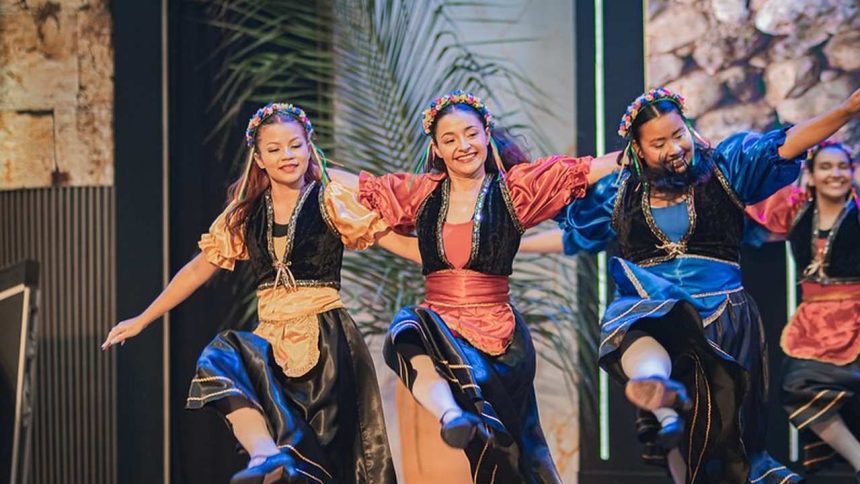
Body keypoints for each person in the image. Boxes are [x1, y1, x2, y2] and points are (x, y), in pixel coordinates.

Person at [520, 86, 860, 483]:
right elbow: (570, 232)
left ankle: (665, 402)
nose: (675, 148)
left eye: (678, 134)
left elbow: (784, 144)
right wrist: (516, 247)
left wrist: (847, 109)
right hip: (653, 312)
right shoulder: (620, 192)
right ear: (639, 150)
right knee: (633, 321)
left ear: (690, 128)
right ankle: (656, 385)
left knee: (725, 443)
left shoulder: (726, 170)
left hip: (723, 321)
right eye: (659, 143)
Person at [102, 103, 415, 483]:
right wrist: (143, 318)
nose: (287, 155)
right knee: (223, 357)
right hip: (271, 341)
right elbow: (200, 267)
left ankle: (276, 458)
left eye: (295, 145)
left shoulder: (330, 200)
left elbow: (399, 244)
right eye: (275, 149)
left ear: (309, 147)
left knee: (322, 461)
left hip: (327, 344)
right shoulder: (246, 215)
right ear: (259, 159)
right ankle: (263, 453)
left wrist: (463, 257)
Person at [332, 90, 618, 483]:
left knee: (509, 453)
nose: (463, 146)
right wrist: (309, 164)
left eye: (470, 134)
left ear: (486, 134)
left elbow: (579, 170)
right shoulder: (424, 194)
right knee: (406, 330)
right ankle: (450, 414)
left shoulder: (514, 192)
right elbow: (367, 187)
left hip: (500, 338)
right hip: (442, 325)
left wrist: (634, 150)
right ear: (436, 148)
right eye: (449, 139)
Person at [747, 140, 860, 482]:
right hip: (814, 323)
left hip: (856, 315)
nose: (835, 174)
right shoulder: (796, 211)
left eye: (842, 167)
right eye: (826, 167)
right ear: (810, 176)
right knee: (797, 389)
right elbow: (751, 199)